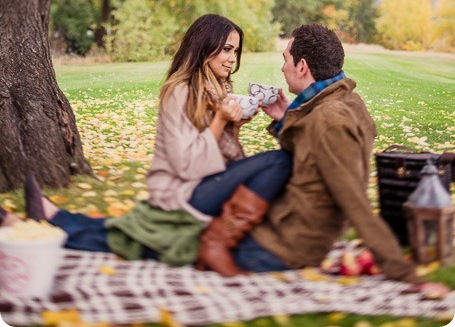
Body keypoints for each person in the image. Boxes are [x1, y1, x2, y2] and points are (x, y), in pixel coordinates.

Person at [0, 14, 292, 277]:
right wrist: (220, 123)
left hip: (205, 183)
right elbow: (186, 164)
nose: (232, 58)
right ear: (204, 47)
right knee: (277, 161)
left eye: (236, 50)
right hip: (184, 189)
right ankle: (45, 221)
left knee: (134, 238)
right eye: (226, 49)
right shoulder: (180, 92)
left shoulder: (218, 89)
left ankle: (50, 218)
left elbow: (217, 150)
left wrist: (232, 125)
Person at [227, 23, 449, 297]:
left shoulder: (329, 121)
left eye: (286, 59)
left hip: (279, 247)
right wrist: (286, 118)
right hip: (284, 233)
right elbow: (311, 156)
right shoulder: (344, 101)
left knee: (190, 239)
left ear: (302, 67)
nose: (283, 67)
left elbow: (355, 202)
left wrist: (405, 274)